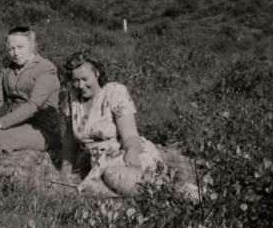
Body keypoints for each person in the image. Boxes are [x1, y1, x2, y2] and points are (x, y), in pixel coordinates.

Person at [60, 49, 199, 200]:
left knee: (117, 178)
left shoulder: (114, 92)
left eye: (85, 79)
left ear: (97, 74)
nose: (81, 85)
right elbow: (69, 138)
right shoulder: (72, 98)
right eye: (76, 80)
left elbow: (131, 136)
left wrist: (132, 156)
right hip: (97, 162)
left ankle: (183, 193)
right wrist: (66, 168)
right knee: (98, 185)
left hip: (122, 153)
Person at [0, 27, 63, 156]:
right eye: (11, 49)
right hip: (16, 124)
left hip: (42, 129)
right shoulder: (9, 69)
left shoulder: (45, 69)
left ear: (31, 45)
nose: (16, 53)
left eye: (20, 47)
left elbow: (33, 106)